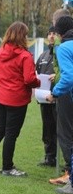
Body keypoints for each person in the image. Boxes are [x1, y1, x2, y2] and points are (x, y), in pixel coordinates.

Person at [0, 21, 40, 177]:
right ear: (22, 36)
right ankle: (8, 167)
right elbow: (29, 79)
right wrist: (39, 82)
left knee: (0, 129)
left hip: (2, 97)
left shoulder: (0, 52)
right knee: (11, 133)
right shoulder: (25, 56)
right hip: (17, 99)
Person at [46, 15, 73, 194]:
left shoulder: (64, 48)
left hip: (68, 98)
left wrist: (55, 93)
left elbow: (69, 76)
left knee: (67, 138)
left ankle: (71, 181)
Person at [35, 26, 57, 167]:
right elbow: (35, 74)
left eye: (54, 33)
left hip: (59, 98)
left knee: (61, 130)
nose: (51, 36)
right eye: (49, 33)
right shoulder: (43, 56)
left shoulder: (62, 54)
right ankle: (49, 157)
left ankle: (64, 160)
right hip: (44, 99)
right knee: (47, 129)